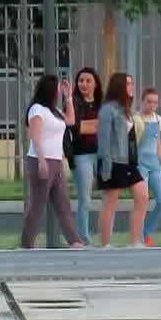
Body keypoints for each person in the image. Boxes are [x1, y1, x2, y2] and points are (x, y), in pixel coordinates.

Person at [21, 74, 85, 249]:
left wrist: (69, 97)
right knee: (38, 204)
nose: (58, 91)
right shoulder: (37, 110)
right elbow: (35, 137)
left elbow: (71, 121)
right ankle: (27, 243)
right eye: (57, 88)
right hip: (40, 159)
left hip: (56, 161)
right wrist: (41, 161)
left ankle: (74, 240)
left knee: (63, 202)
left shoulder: (54, 111)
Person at [95, 72, 149, 247]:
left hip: (129, 162)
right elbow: (103, 140)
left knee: (142, 197)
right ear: (119, 86)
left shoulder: (126, 110)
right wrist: (106, 168)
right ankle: (105, 244)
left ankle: (135, 241)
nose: (131, 86)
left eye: (132, 83)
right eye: (128, 83)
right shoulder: (107, 110)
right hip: (113, 161)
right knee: (110, 202)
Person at [66, 67, 102, 244]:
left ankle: (104, 237)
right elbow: (75, 127)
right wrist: (96, 125)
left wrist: (89, 126)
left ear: (95, 84)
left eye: (88, 81)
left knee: (108, 196)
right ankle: (83, 238)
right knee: (85, 199)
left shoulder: (101, 103)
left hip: (101, 154)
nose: (84, 84)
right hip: (82, 155)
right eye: (81, 81)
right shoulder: (74, 102)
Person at [134, 88, 161, 246]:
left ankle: (146, 231)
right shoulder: (136, 119)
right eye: (149, 102)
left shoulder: (158, 119)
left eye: (155, 102)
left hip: (155, 165)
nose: (152, 105)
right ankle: (139, 237)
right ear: (142, 101)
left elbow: (157, 143)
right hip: (140, 165)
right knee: (142, 201)